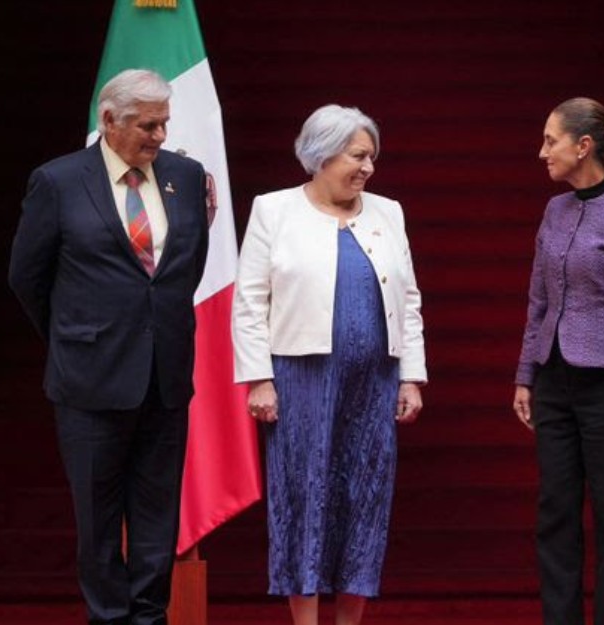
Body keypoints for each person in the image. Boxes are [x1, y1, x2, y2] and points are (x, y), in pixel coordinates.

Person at [8, 69, 209, 625]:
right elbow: (27, 277)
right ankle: (108, 618)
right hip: (90, 380)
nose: (159, 136)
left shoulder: (187, 177)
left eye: (164, 123)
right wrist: (77, 337)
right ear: (109, 121)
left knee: (156, 515)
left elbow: (183, 270)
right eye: (147, 125)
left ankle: (150, 617)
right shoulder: (58, 181)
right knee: (97, 520)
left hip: (165, 374)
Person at [232, 104, 427, 625]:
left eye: (372, 157)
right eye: (358, 155)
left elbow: (408, 299)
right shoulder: (273, 209)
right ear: (322, 155)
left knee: (364, 497)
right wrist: (259, 380)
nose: (368, 167)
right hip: (300, 381)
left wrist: (411, 375)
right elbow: (250, 300)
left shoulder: (389, 211)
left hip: (374, 382)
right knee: (303, 498)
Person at [512, 97, 604, 625]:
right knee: (555, 512)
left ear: (583, 146)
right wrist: (526, 374)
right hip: (554, 379)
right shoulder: (555, 210)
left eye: (550, 141)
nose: (542, 151)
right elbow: (539, 301)